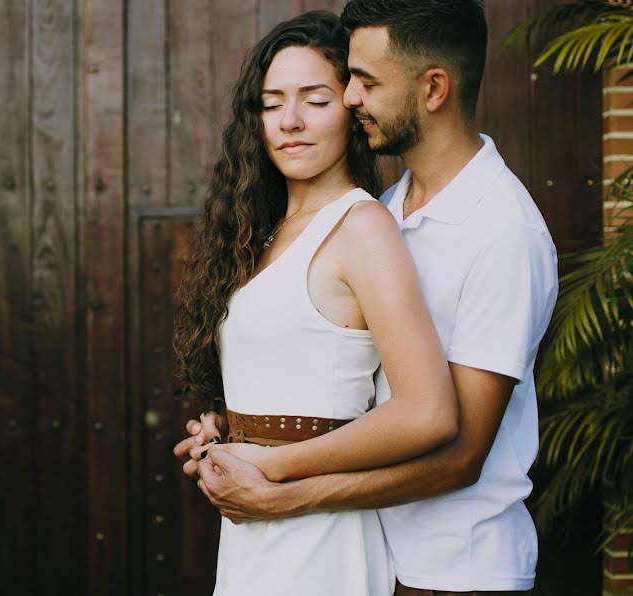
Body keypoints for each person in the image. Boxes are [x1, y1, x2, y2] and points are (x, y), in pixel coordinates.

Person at [175, 1, 559, 595]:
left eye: (364, 83)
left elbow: (459, 454)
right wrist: (241, 434)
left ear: (433, 88)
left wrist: (275, 477)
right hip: (385, 550)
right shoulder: (392, 209)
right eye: (273, 103)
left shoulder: (502, 231)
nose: (352, 98)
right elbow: (335, 376)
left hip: (459, 569)